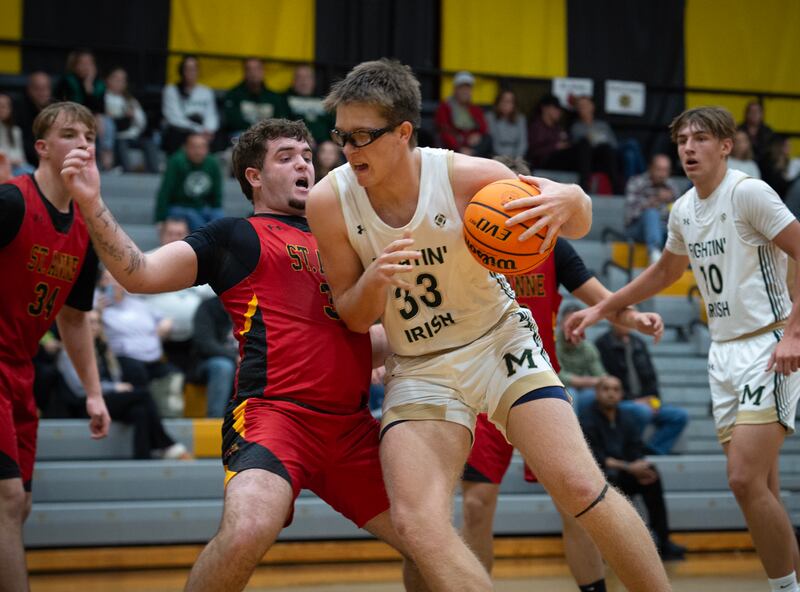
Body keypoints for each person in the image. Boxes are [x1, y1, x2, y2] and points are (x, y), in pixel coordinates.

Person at [307, 58, 669, 591]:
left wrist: (575, 197)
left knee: (579, 486)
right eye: (342, 135)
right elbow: (353, 315)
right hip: (419, 365)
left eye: (364, 136)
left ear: (404, 132)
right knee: (416, 522)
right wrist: (373, 283)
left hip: (498, 341)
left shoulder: (467, 178)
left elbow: (577, 217)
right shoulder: (328, 202)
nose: (349, 149)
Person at [60, 117, 427, 591]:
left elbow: (357, 338)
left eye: (307, 156)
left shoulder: (345, 241)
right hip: (274, 418)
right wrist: (91, 201)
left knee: (428, 541)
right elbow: (140, 273)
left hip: (351, 427)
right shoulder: (233, 236)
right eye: (286, 156)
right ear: (254, 176)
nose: (303, 164)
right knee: (247, 530)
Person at [568, 105, 800, 592]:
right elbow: (664, 273)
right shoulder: (683, 209)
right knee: (762, 489)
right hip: (722, 352)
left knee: (742, 481)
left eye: (700, 139)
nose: (689, 148)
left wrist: (795, 334)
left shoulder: (749, 193)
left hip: (767, 344)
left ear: (725, 146)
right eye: (682, 141)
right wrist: (603, 307)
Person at [461, 155, 666, 592]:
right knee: (477, 504)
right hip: (478, 384)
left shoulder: (552, 244)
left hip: (536, 382)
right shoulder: (468, 239)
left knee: (578, 500)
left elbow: (601, 299)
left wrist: (634, 320)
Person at [0, 101, 111, 591]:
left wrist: (93, 391)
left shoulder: (85, 231)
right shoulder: (9, 202)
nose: (83, 144)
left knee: (19, 505)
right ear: (41, 148)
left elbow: (73, 317)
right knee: (5, 499)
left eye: (89, 136)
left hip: (20, 370)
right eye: (70, 135)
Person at [56, 310, 191, 460]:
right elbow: (79, 388)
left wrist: (115, 387)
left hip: (106, 400)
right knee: (143, 395)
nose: (94, 326)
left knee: (140, 411)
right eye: (89, 322)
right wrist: (114, 388)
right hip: (85, 404)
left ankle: (142, 458)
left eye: (97, 322)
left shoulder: (105, 350)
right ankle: (167, 444)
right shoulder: (70, 351)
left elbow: (115, 376)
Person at [579, 376, 686, 560]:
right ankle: (611, 545)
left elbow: (634, 447)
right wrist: (629, 466)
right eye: (606, 389)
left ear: (621, 394)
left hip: (624, 473)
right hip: (601, 478)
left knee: (652, 475)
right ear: (597, 392)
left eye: (615, 389)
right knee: (609, 478)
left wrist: (641, 466)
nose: (611, 393)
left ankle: (663, 540)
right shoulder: (587, 418)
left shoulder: (626, 418)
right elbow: (595, 458)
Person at [98, 270, 184, 418]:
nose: (113, 282)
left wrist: (165, 324)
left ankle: (169, 414)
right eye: (107, 279)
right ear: (101, 282)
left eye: (116, 278)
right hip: (123, 359)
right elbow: (87, 326)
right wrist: (99, 312)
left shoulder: (138, 303)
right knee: (138, 373)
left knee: (173, 373)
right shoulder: (97, 303)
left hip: (153, 358)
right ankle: (151, 414)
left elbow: (164, 319)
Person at [595, 323, 689, 455]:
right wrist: (634, 400)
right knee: (642, 411)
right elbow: (608, 382)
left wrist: (654, 400)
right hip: (621, 401)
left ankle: (653, 450)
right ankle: (630, 450)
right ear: (613, 321)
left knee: (679, 416)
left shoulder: (638, 343)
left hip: (646, 400)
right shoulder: (603, 344)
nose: (626, 323)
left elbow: (651, 376)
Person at [153, 133, 224, 232]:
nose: (198, 151)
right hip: (178, 206)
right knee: (191, 215)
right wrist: (160, 218)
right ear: (185, 148)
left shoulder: (212, 163)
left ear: (207, 149)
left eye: (202, 147)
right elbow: (165, 191)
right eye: (194, 147)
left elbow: (217, 194)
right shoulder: (176, 161)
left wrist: (216, 210)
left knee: (218, 215)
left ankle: (213, 241)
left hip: (201, 207)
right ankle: (207, 240)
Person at [624, 154, 681, 264]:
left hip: (665, 230)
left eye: (665, 170)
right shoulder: (636, 182)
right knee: (651, 214)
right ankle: (654, 255)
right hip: (637, 229)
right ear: (650, 168)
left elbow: (680, 217)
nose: (662, 174)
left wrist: (672, 202)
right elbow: (629, 215)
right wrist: (653, 201)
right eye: (659, 170)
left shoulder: (672, 186)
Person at [103, 67, 160, 173]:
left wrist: (133, 116)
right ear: (108, 80)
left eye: (123, 80)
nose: (120, 82)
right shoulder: (103, 97)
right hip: (116, 137)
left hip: (132, 135)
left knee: (149, 143)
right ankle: (127, 172)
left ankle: (154, 172)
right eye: (117, 79)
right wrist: (121, 116)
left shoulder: (130, 99)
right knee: (121, 144)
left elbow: (142, 122)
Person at [161, 55, 220, 155]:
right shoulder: (171, 90)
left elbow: (211, 114)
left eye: (194, 69)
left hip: (203, 130)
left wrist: (209, 129)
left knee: (219, 139)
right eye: (188, 69)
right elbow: (175, 118)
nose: (191, 72)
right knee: (174, 135)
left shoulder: (206, 91)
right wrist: (199, 130)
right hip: (181, 131)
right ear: (182, 71)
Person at [222, 57, 289, 140]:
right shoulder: (233, 94)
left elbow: (280, 121)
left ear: (263, 71)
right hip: (242, 135)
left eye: (257, 69)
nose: (253, 73)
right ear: (244, 72)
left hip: (269, 136)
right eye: (249, 69)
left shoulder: (274, 97)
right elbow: (232, 122)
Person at [191, 296, 237, 418]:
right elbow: (205, 344)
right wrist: (235, 357)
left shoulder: (252, 307)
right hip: (207, 362)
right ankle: (214, 421)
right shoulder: (208, 307)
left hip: (245, 360)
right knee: (223, 366)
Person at [569, 96, 624, 194]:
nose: (583, 108)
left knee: (607, 149)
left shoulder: (603, 125)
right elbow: (577, 144)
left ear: (592, 107)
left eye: (585, 105)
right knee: (584, 144)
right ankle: (585, 185)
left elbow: (613, 144)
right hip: (585, 161)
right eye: (580, 106)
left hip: (603, 159)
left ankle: (616, 187)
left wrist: (594, 140)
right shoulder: (576, 127)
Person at [556, 303, 607, 406]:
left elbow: (601, 375)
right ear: (561, 324)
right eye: (569, 323)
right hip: (559, 390)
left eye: (577, 324)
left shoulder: (588, 348)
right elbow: (559, 376)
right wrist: (590, 381)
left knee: (601, 396)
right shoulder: (551, 345)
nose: (573, 327)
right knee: (570, 395)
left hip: (585, 391)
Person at [434, 70, 491, 157]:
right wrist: (459, 148)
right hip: (455, 146)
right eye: (462, 88)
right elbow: (444, 130)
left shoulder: (474, 108)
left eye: (468, 88)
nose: (465, 91)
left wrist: (478, 135)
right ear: (455, 89)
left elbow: (483, 128)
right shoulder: (445, 107)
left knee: (487, 139)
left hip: (472, 145)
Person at [285, 64, 334, 146]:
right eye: (300, 77)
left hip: (325, 148)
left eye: (307, 77)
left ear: (314, 81)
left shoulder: (325, 101)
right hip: (296, 144)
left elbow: (334, 126)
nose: (304, 81)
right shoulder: (284, 100)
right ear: (293, 81)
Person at [16, 71, 53, 166]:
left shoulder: (54, 109)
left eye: (45, 88)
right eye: (37, 89)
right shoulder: (19, 109)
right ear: (29, 89)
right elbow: (22, 142)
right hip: (28, 162)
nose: (42, 92)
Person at [485, 89, 527, 159]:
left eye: (509, 102)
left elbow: (523, 143)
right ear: (498, 102)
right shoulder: (490, 117)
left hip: (516, 158)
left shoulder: (520, 119)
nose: (505, 104)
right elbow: (493, 141)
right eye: (503, 101)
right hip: (496, 157)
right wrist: (504, 159)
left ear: (514, 104)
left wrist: (517, 158)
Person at [0, 94, 34, 177]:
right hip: (4, 167)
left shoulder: (15, 130)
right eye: (0, 106)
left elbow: (21, 157)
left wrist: (18, 162)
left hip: (18, 167)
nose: (2, 109)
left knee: (31, 171)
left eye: (5, 106)